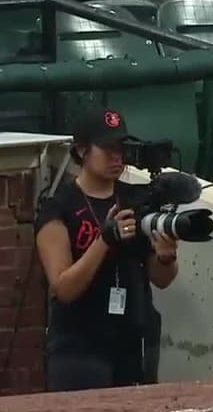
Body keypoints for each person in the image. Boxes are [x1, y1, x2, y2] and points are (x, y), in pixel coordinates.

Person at [34, 106, 180, 392]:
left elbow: (162, 279)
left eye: (121, 148)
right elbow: (63, 287)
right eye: (107, 148)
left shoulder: (136, 199)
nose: (117, 156)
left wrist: (166, 255)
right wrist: (105, 241)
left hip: (131, 341)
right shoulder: (59, 207)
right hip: (79, 347)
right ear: (82, 151)